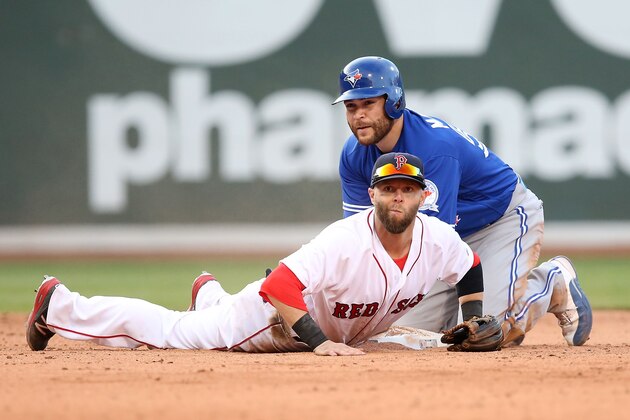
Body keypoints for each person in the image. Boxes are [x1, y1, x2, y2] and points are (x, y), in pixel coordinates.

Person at [26, 153, 495, 355]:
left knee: (212, 313)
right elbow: (278, 287)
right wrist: (322, 344)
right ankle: (60, 306)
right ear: (372, 194)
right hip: (274, 321)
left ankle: (209, 294)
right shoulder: (345, 239)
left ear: (422, 197)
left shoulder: (437, 239)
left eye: (407, 189)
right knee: (169, 332)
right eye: (388, 188)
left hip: (312, 324)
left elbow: (469, 266)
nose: (398, 197)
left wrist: (475, 317)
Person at [333, 56, 592, 346]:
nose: (358, 115)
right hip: (447, 238)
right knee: (398, 339)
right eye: (351, 106)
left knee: (484, 333)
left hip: (500, 222)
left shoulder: (434, 148)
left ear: (394, 101)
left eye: (368, 104)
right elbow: (361, 232)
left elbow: (430, 240)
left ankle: (550, 284)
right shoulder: (353, 155)